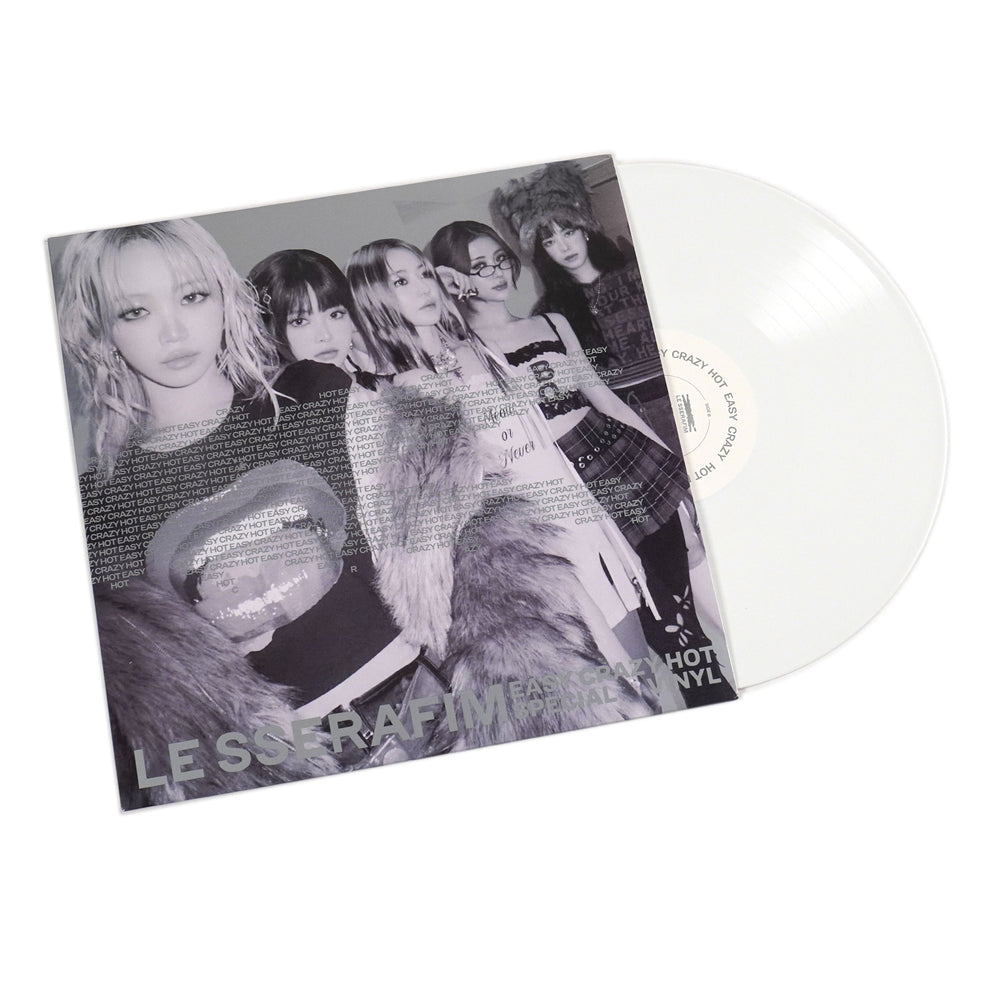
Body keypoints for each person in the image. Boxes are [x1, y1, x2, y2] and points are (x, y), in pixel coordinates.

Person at [56, 221, 423, 804]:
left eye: (191, 296)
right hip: (286, 769)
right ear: (100, 329)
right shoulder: (101, 503)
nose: (174, 331)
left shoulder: (315, 393)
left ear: (224, 298)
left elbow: (429, 556)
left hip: (424, 703)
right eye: (136, 311)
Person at [343, 238, 657, 744]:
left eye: (424, 273)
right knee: (589, 704)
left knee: (640, 681)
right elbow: (405, 517)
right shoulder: (394, 392)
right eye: (400, 281)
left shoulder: (474, 347)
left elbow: (542, 440)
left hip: (575, 524)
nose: (423, 287)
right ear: (375, 298)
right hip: (519, 562)